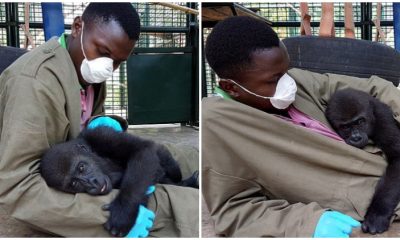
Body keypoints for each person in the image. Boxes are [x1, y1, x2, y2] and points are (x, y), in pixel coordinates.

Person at [0, 3, 198, 237]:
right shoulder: (34, 84)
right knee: (177, 205)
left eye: (118, 62)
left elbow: (81, 120)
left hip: (78, 160)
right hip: (55, 189)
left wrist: (101, 122)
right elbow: (16, 189)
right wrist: (102, 216)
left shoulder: (84, 66)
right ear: (77, 27)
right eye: (104, 53)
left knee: (180, 156)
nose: (109, 68)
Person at [202, 15, 400, 237]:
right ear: (232, 87)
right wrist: (304, 223)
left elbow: (374, 87)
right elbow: (232, 208)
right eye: (273, 80)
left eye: (286, 71)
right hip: (369, 201)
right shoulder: (218, 121)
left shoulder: (296, 81)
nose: (288, 83)